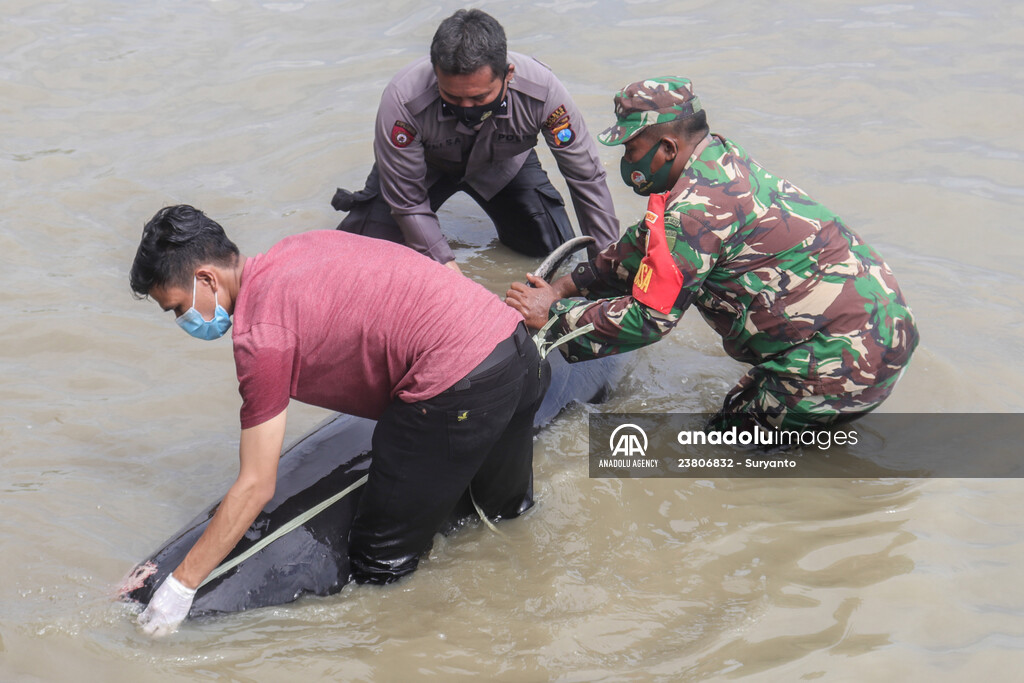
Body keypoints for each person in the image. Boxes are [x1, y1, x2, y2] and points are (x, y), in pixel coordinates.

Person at [129, 205, 548, 636]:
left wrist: (180, 586)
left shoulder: (262, 337)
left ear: (206, 279)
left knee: (378, 562)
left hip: (459, 389)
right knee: (506, 514)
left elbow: (256, 484)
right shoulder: (296, 248)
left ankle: (420, 648)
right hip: (515, 349)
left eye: (177, 308)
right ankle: (528, 615)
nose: (183, 321)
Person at [506, 77, 919, 430]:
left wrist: (554, 319)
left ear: (667, 148)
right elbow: (645, 244)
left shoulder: (694, 213)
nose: (627, 160)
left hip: (845, 361)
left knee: (723, 446)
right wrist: (564, 286)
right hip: (883, 330)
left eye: (631, 148)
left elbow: (649, 319)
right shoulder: (717, 159)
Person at [332, 8, 619, 273]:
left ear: (508, 75)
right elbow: (407, 203)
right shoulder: (403, 100)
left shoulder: (543, 93)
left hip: (503, 166)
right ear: (436, 76)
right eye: (453, 97)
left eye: (480, 97)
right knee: (365, 258)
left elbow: (586, 179)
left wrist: (606, 265)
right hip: (423, 169)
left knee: (552, 251)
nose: (467, 108)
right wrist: (448, 268)